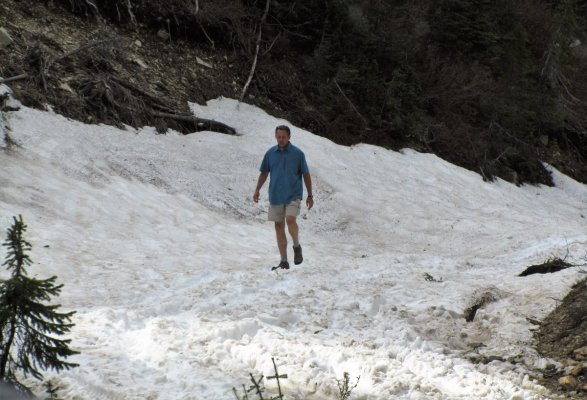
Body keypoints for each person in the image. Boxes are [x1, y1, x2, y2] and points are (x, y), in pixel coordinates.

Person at [253, 125, 314, 270]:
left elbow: (306, 174)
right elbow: (264, 173)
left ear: (289, 137)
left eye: (283, 137)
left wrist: (310, 195)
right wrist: (257, 190)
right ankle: (284, 261)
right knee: (279, 226)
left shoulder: (298, 154)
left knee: (290, 219)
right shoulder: (270, 154)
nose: (281, 139)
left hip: (293, 195)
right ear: (276, 136)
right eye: (278, 137)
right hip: (275, 195)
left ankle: (296, 246)